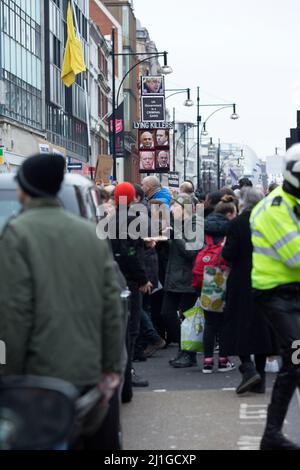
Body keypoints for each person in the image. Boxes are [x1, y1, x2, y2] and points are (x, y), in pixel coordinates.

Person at [0, 154, 123, 449]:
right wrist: (110, 367)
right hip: (87, 371)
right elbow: (111, 306)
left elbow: (13, 313)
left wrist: (8, 373)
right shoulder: (88, 233)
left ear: (25, 188)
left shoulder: (17, 234)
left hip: (39, 376)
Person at [250, 143, 300, 450]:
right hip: (275, 295)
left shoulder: (293, 203)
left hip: (292, 293)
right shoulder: (275, 209)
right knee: (295, 360)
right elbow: (296, 256)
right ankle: (271, 435)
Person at [222, 188, 277, 394]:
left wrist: (225, 248)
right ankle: (260, 379)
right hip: (266, 278)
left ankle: (248, 368)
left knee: (238, 324)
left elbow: (229, 253)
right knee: (261, 328)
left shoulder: (237, 223)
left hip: (241, 280)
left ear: (242, 203)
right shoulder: (269, 221)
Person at [163, 194, 203, 368]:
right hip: (174, 277)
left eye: (175, 207)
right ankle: (184, 350)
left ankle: (188, 353)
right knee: (167, 313)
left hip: (188, 278)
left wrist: (175, 234)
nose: (172, 210)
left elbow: (191, 251)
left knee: (187, 318)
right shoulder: (177, 225)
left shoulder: (196, 224)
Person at [201, 195, 237, 373]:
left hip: (207, 276)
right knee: (225, 322)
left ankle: (207, 362)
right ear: (230, 213)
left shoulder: (204, 226)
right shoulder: (232, 228)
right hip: (226, 275)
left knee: (209, 322)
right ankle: (223, 360)